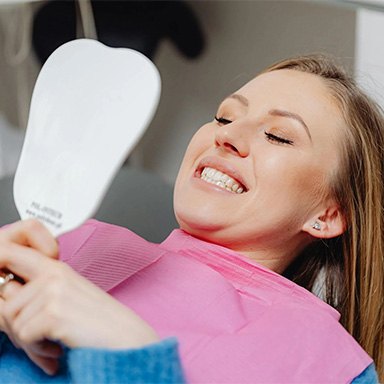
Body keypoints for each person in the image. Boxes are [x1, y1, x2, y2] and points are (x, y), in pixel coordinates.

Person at [0, 54, 382, 383]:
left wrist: (130, 358)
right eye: (224, 117)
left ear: (327, 215)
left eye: (278, 136)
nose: (227, 136)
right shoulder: (60, 242)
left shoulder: (329, 365)